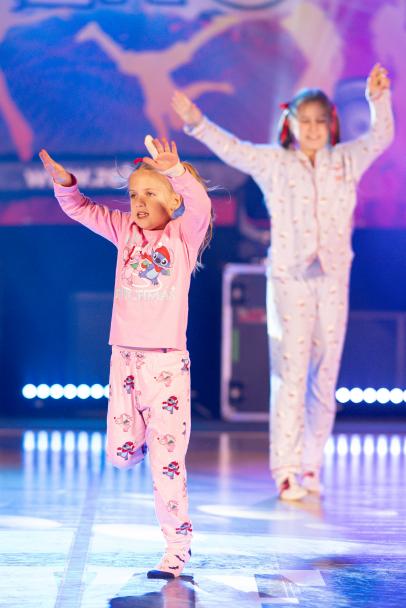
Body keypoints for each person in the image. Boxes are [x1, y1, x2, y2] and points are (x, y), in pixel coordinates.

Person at [172, 64, 394, 500]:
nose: (312, 129)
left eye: (319, 121)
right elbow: (234, 150)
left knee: (324, 376)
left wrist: (377, 99)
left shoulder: (345, 160)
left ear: (330, 124)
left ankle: (311, 465)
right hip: (290, 279)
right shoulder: (275, 162)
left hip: (334, 278)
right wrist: (197, 123)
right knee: (290, 374)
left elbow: (380, 136)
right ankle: (286, 469)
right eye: (303, 120)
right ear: (290, 123)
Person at [39, 137, 212, 576]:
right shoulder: (125, 232)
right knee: (119, 454)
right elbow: (81, 209)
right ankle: (146, 441)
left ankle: (177, 547)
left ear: (173, 200)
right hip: (125, 361)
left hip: (166, 367)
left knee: (166, 465)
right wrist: (65, 184)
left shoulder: (183, 236)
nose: (139, 202)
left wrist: (176, 172)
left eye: (151, 193)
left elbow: (201, 205)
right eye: (134, 194)